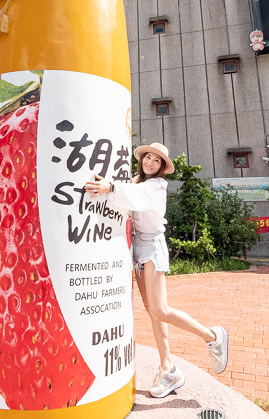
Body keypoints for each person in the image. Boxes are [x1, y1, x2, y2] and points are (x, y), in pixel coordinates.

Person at [84, 142, 228, 398]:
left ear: (162, 167)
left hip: (152, 245)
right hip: (138, 247)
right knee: (153, 312)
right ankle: (168, 368)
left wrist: (111, 187)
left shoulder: (157, 185)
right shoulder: (137, 180)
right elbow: (127, 194)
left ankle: (211, 336)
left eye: (156, 161)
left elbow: (135, 198)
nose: (150, 162)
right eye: (147, 158)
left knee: (160, 309)